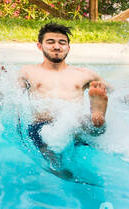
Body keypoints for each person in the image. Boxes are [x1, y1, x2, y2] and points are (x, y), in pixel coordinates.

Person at [16, 23, 108, 173]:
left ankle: (97, 118)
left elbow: (119, 94)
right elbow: (13, 99)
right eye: (50, 42)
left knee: (87, 124)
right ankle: (95, 122)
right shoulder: (28, 72)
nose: (57, 47)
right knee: (53, 154)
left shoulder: (85, 74)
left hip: (74, 123)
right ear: (40, 46)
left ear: (68, 48)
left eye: (62, 43)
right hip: (42, 126)